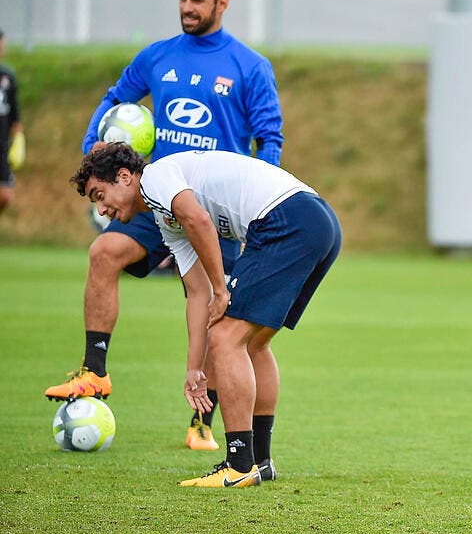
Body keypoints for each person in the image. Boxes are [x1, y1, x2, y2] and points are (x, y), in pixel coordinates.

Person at [44, 0, 285, 454]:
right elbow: (117, 98)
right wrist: (94, 144)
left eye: (197, 0)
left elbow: (270, 139)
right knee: (103, 252)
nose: (187, 8)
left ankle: (202, 422)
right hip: (156, 202)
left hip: (215, 213)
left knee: (218, 312)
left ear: (222, 4)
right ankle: (95, 370)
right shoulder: (157, 57)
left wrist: (256, 213)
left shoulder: (250, 66)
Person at [70, 144, 340, 487]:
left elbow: (199, 221)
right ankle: (261, 461)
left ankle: (239, 464)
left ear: (124, 177)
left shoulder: (156, 179)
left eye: (99, 194)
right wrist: (195, 368)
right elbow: (198, 294)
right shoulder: (163, 217)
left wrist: (222, 289)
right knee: (252, 344)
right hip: (316, 220)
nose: (101, 208)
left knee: (228, 337)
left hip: (287, 220)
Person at [0, 28, 24, 216]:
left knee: (5, 195)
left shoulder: (7, 76)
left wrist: (19, 142)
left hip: (2, 146)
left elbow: (15, 116)